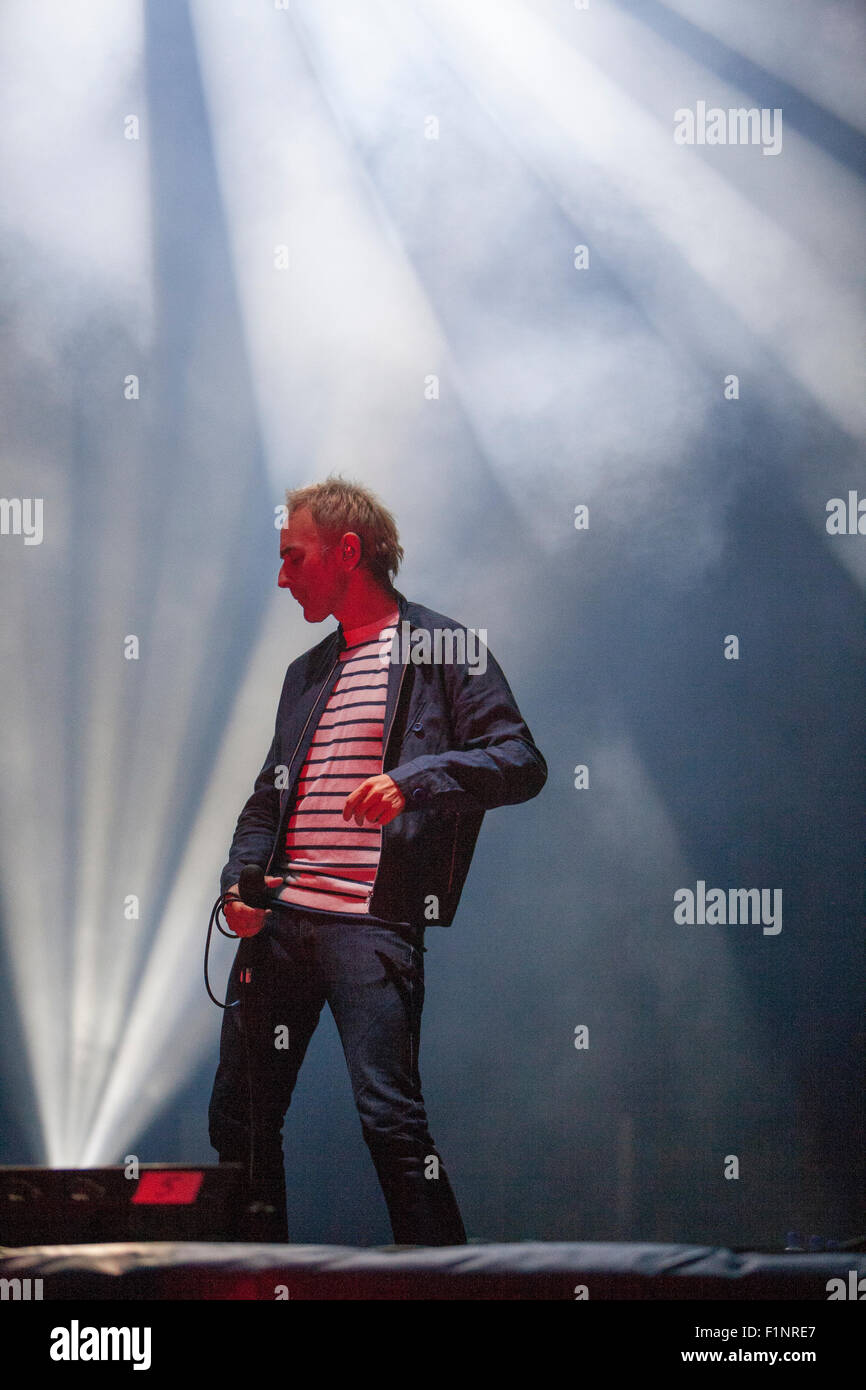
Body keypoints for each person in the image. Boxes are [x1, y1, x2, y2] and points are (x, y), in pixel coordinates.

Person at [208, 477, 547, 1244]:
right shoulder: (306, 672)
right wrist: (240, 885)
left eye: (294, 556)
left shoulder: (443, 647)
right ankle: (259, 1287)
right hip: (280, 929)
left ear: (348, 551)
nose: (283, 575)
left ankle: (446, 1295)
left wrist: (414, 781)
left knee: (391, 1122)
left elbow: (522, 762)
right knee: (239, 1119)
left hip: (371, 925)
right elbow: (268, 800)